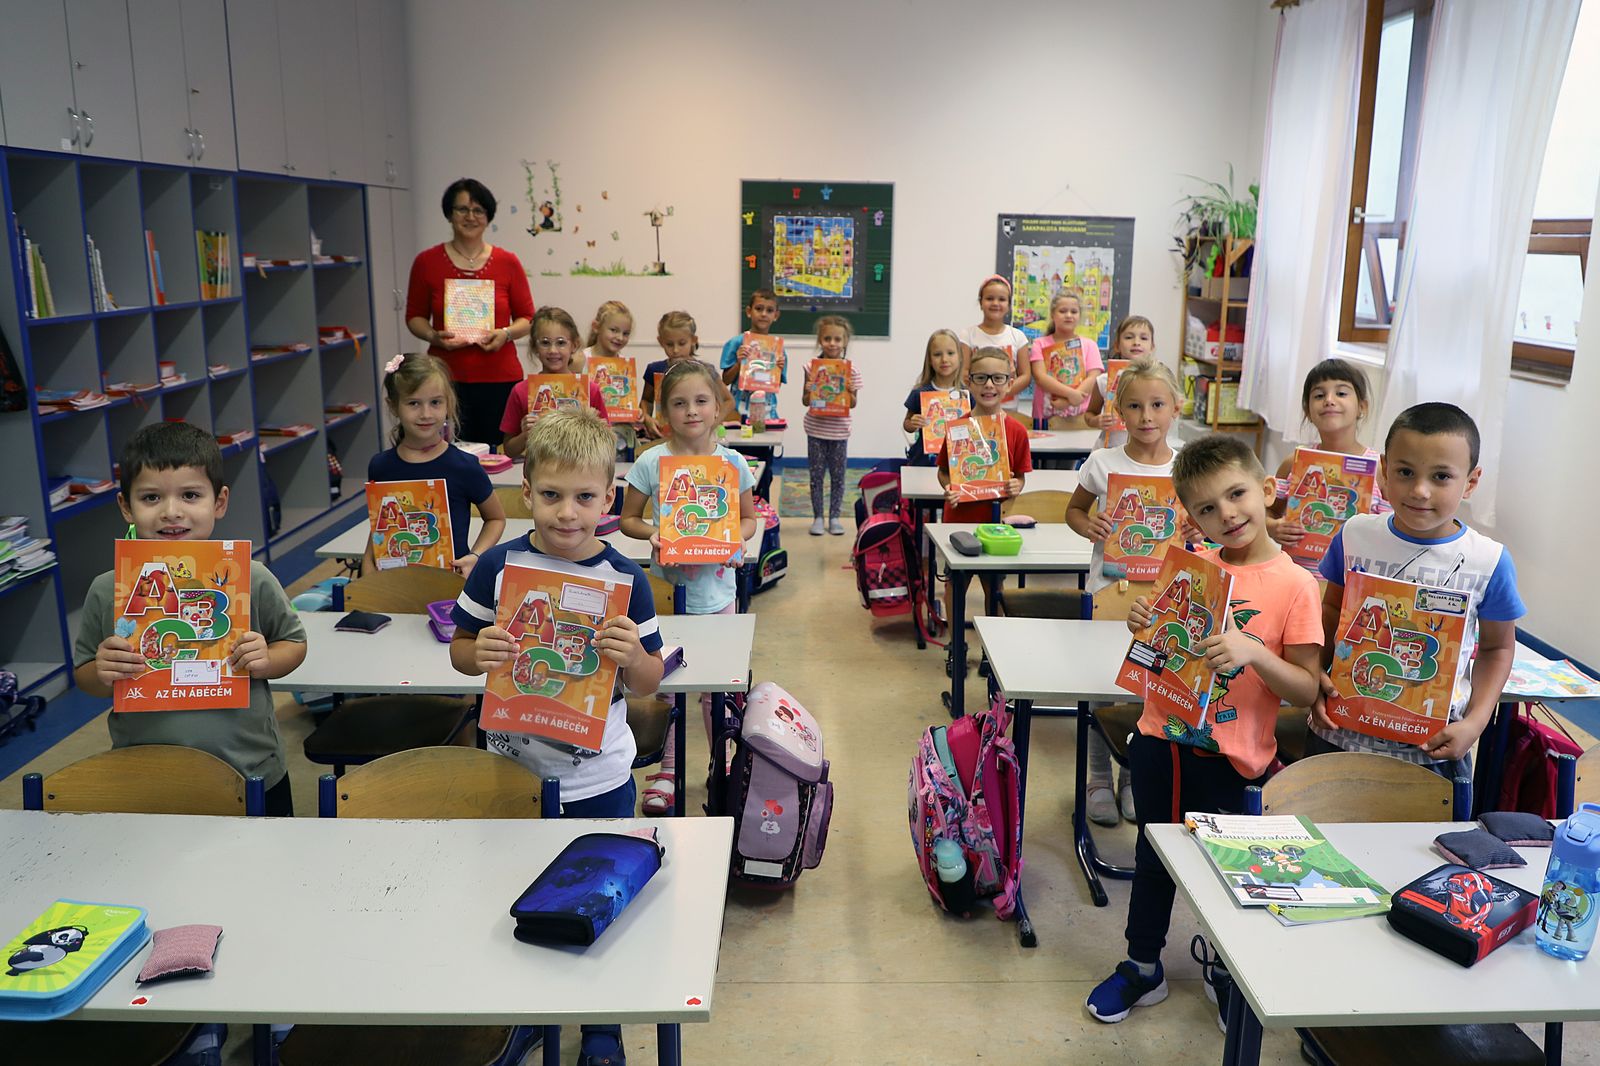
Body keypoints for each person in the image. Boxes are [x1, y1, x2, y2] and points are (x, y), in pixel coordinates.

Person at [450, 409, 665, 1066]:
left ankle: (600, 1026)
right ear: (526, 491)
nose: (566, 513)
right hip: (508, 773)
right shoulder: (498, 566)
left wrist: (633, 656)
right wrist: (478, 652)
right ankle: (520, 1018)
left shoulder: (627, 580)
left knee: (599, 902)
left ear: (609, 499)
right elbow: (460, 650)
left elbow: (651, 682)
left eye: (584, 497)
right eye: (550, 495)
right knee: (510, 894)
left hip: (598, 776)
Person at [1087, 434, 1322, 1030]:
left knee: (1227, 869)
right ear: (1191, 516)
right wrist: (1144, 622)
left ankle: (1224, 968)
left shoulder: (1296, 584)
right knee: (1154, 856)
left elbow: (1305, 690)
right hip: (1161, 741)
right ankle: (1143, 966)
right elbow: (1163, 650)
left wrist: (1256, 654)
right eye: (1208, 508)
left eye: (1237, 495)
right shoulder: (1191, 566)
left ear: (1267, 490)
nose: (1228, 515)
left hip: (1235, 758)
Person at [75, 422, 308, 816]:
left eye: (190, 495)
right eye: (151, 497)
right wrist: (102, 671)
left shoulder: (250, 577)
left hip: (250, 768)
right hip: (146, 772)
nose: (171, 512)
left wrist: (267, 659)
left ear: (219, 502)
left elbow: (294, 643)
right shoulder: (107, 588)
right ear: (126, 506)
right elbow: (85, 674)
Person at [1308, 402, 1524, 776]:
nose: (1420, 491)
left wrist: (1475, 723)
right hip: (1336, 736)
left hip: (1432, 755)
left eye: (1441, 476)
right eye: (1405, 472)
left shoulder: (1488, 561)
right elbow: (1330, 612)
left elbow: (1497, 648)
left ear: (1471, 482)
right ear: (1384, 471)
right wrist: (1313, 675)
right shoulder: (1354, 535)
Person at [619, 360, 758, 814]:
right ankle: (668, 771)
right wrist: (653, 534)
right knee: (666, 688)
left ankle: (723, 766)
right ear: (664, 412)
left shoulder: (732, 463)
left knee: (717, 692)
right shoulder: (651, 461)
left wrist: (736, 539)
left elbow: (749, 519)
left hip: (718, 596)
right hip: (666, 598)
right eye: (679, 403)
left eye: (701, 401)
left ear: (719, 408)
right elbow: (627, 519)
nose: (692, 411)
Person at [1065, 358, 1186, 825]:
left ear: (1175, 408)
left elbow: (1205, 519)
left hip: (1165, 601)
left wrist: (1198, 528)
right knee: (1103, 688)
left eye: (1157, 405)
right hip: (1110, 592)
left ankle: (1133, 777)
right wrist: (1088, 525)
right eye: (1134, 406)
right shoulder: (1103, 462)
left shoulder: (1187, 465)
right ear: (1119, 411)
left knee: (1148, 691)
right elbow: (1074, 511)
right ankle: (1097, 778)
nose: (1146, 416)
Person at [405, 178, 534, 447]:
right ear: (449, 214)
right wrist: (434, 336)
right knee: (447, 451)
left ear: (488, 216)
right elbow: (414, 317)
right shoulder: (427, 262)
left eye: (478, 210)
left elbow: (528, 318)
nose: (470, 217)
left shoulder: (507, 262)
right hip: (445, 377)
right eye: (462, 209)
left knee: (499, 454)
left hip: (500, 378)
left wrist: (505, 333)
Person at [366, 353, 506, 579]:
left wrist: (476, 556)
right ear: (393, 406)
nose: (426, 414)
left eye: (435, 402)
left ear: (448, 404)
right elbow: (380, 528)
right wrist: (368, 569)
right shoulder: (380, 466)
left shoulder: (464, 466)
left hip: (451, 585)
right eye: (413, 403)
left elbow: (496, 519)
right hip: (396, 584)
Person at [1268, 358, 1389, 548]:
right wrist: (1273, 528)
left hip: (1353, 566)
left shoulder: (1380, 469)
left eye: (1341, 393)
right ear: (1307, 411)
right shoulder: (1294, 463)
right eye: (1319, 395)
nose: (1329, 400)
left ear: (1362, 407)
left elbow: (1392, 529)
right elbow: (1269, 512)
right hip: (1299, 566)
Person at [501, 307, 610, 459]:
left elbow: (607, 443)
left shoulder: (590, 390)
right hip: (539, 471)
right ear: (535, 347)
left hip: (581, 470)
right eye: (545, 343)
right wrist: (525, 435)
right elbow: (509, 449)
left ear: (574, 345)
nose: (553, 350)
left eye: (561, 343)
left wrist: (592, 430)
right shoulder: (520, 391)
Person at [801, 315, 864, 535]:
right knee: (816, 477)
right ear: (820, 340)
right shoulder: (811, 367)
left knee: (838, 478)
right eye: (827, 338)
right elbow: (805, 401)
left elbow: (853, 404)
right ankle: (818, 517)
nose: (832, 343)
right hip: (816, 430)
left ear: (845, 342)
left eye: (838, 339)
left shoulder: (851, 371)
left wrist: (849, 391)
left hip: (839, 432)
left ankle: (835, 517)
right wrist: (809, 390)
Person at [642, 311, 735, 439]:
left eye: (682, 343)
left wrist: (711, 424)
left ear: (693, 340)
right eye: (669, 344)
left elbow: (728, 401)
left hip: (698, 439)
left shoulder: (705, 371)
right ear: (660, 341)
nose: (675, 350)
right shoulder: (654, 369)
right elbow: (646, 400)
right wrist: (647, 418)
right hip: (663, 437)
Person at [1028, 291, 1102, 427]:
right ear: (1052, 315)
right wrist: (1071, 394)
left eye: (1074, 312)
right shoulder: (1040, 344)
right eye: (1062, 311)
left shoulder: (1090, 345)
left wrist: (1069, 401)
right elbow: (1040, 377)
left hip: (1081, 419)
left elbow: (1094, 378)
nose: (1068, 315)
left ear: (1079, 315)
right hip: (1045, 418)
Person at [958, 275, 1031, 414]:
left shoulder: (1018, 337)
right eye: (989, 298)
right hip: (976, 409)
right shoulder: (968, 335)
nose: (995, 303)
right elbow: (963, 373)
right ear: (981, 302)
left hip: (1008, 410)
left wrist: (999, 392)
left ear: (1009, 305)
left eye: (1002, 299)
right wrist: (984, 393)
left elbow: (1026, 376)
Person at [1086, 315, 1158, 449]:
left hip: (1144, 451)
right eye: (1129, 337)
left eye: (1143, 338)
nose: (1136, 342)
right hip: (1109, 450)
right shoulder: (1104, 380)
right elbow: (1089, 415)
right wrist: (1096, 421)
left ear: (1152, 346)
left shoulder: (1159, 382)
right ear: (1117, 346)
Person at [902, 329, 966, 467]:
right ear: (930, 360)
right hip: (924, 461)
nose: (944, 359)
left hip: (957, 462)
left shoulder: (967, 394)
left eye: (950, 353)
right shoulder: (919, 392)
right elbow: (907, 425)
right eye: (937, 354)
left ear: (960, 357)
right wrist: (912, 423)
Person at [720, 289, 785, 420]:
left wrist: (777, 370)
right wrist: (739, 363)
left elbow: (775, 386)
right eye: (759, 309)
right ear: (749, 312)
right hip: (738, 411)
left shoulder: (777, 348)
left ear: (776, 315)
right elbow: (725, 380)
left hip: (766, 412)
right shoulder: (736, 343)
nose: (764, 314)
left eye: (769, 310)